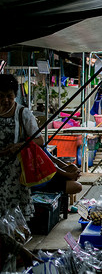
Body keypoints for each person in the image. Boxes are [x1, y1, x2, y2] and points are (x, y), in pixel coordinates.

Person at [0, 74, 44, 220]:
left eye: (9, 96)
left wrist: (18, 146)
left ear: (15, 95)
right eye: (1, 96)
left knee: (14, 215)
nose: (5, 100)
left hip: (15, 173)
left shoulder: (22, 113)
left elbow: (39, 140)